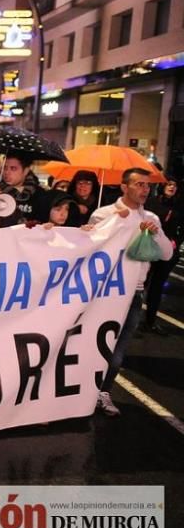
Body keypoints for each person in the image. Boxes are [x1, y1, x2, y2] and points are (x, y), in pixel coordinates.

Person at [89, 168, 174, 416]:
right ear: (124, 187)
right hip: (105, 293)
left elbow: (166, 254)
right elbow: (89, 248)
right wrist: (112, 223)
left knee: (119, 348)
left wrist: (156, 233)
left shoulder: (151, 218)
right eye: (139, 184)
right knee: (93, 344)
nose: (145, 190)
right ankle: (82, 392)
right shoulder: (104, 214)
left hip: (134, 293)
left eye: (148, 186)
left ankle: (103, 392)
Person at [142, 177, 181, 334]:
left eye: (175, 185)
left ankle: (150, 322)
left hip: (167, 252)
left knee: (157, 288)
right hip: (148, 248)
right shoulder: (151, 202)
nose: (172, 187)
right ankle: (130, 319)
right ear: (163, 185)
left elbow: (182, 228)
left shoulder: (179, 206)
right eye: (170, 184)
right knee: (141, 285)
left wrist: (175, 242)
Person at [1, 154, 41, 221]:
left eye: (13, 168)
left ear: (26, 171)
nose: (7, 172)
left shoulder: (39, 194)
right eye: (5, 168)